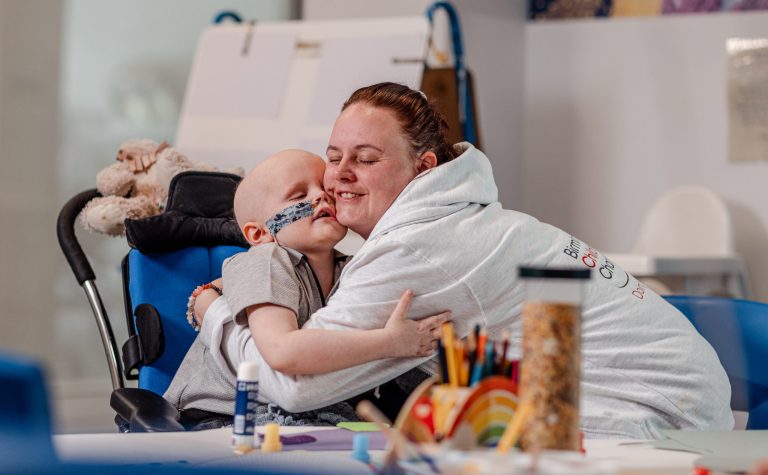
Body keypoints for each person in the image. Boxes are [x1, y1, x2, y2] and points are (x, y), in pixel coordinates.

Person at [201, 82, 733, 438]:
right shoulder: (458, 217)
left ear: (422, 167)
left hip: (655, 421)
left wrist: (213, 312)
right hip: (677, 396)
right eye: (334, 159)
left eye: (365, 159)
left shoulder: (418, 249)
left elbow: (294, 384)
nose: (337, 177)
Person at [163, 149, 448, 424]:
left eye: (324, 187)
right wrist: (393, 342)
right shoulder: (264, 260)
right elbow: (280, 349)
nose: (321, 195)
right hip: (221, 416)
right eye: (299, 195)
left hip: (301, 410)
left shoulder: (353, 268)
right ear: (259, 233)